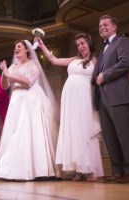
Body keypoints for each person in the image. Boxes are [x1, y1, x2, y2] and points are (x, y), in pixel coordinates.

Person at [37, 33, 104, 181]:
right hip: (70, 100)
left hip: (84, 99)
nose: (80, 46)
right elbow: (54, 60)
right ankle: (78, 170)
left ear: (89, 44)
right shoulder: (75, 59)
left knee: (84, 130)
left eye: (83, 43)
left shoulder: (95, 60)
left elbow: (103, 75)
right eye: (78, 44)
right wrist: (42, 46)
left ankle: (90, 169)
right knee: (73, 130)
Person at [0, 40, 60, 181]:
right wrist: (4, 74)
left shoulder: (33, 65)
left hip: (31, 100)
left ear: (26, 50)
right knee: (15, 133)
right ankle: (13, 168)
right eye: (15, 47)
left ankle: (39, 169)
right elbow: (5, 86)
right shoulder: (12, 66)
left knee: (31, 131)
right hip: (16, 101)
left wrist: (8, 74)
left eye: (19, 47)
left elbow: (27, 81)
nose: (16, 49)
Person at [93, 14, 129, 183]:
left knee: (124, 134)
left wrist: (105, 75)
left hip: (118, 95)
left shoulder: (122, 41)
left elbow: (126, 62)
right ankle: (117, 171)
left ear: (114, 27)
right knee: (110, 137)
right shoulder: (102, 49)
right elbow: (96, 76)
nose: (102, 27)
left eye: (105, 24)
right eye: (100, 26)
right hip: (102, 98)